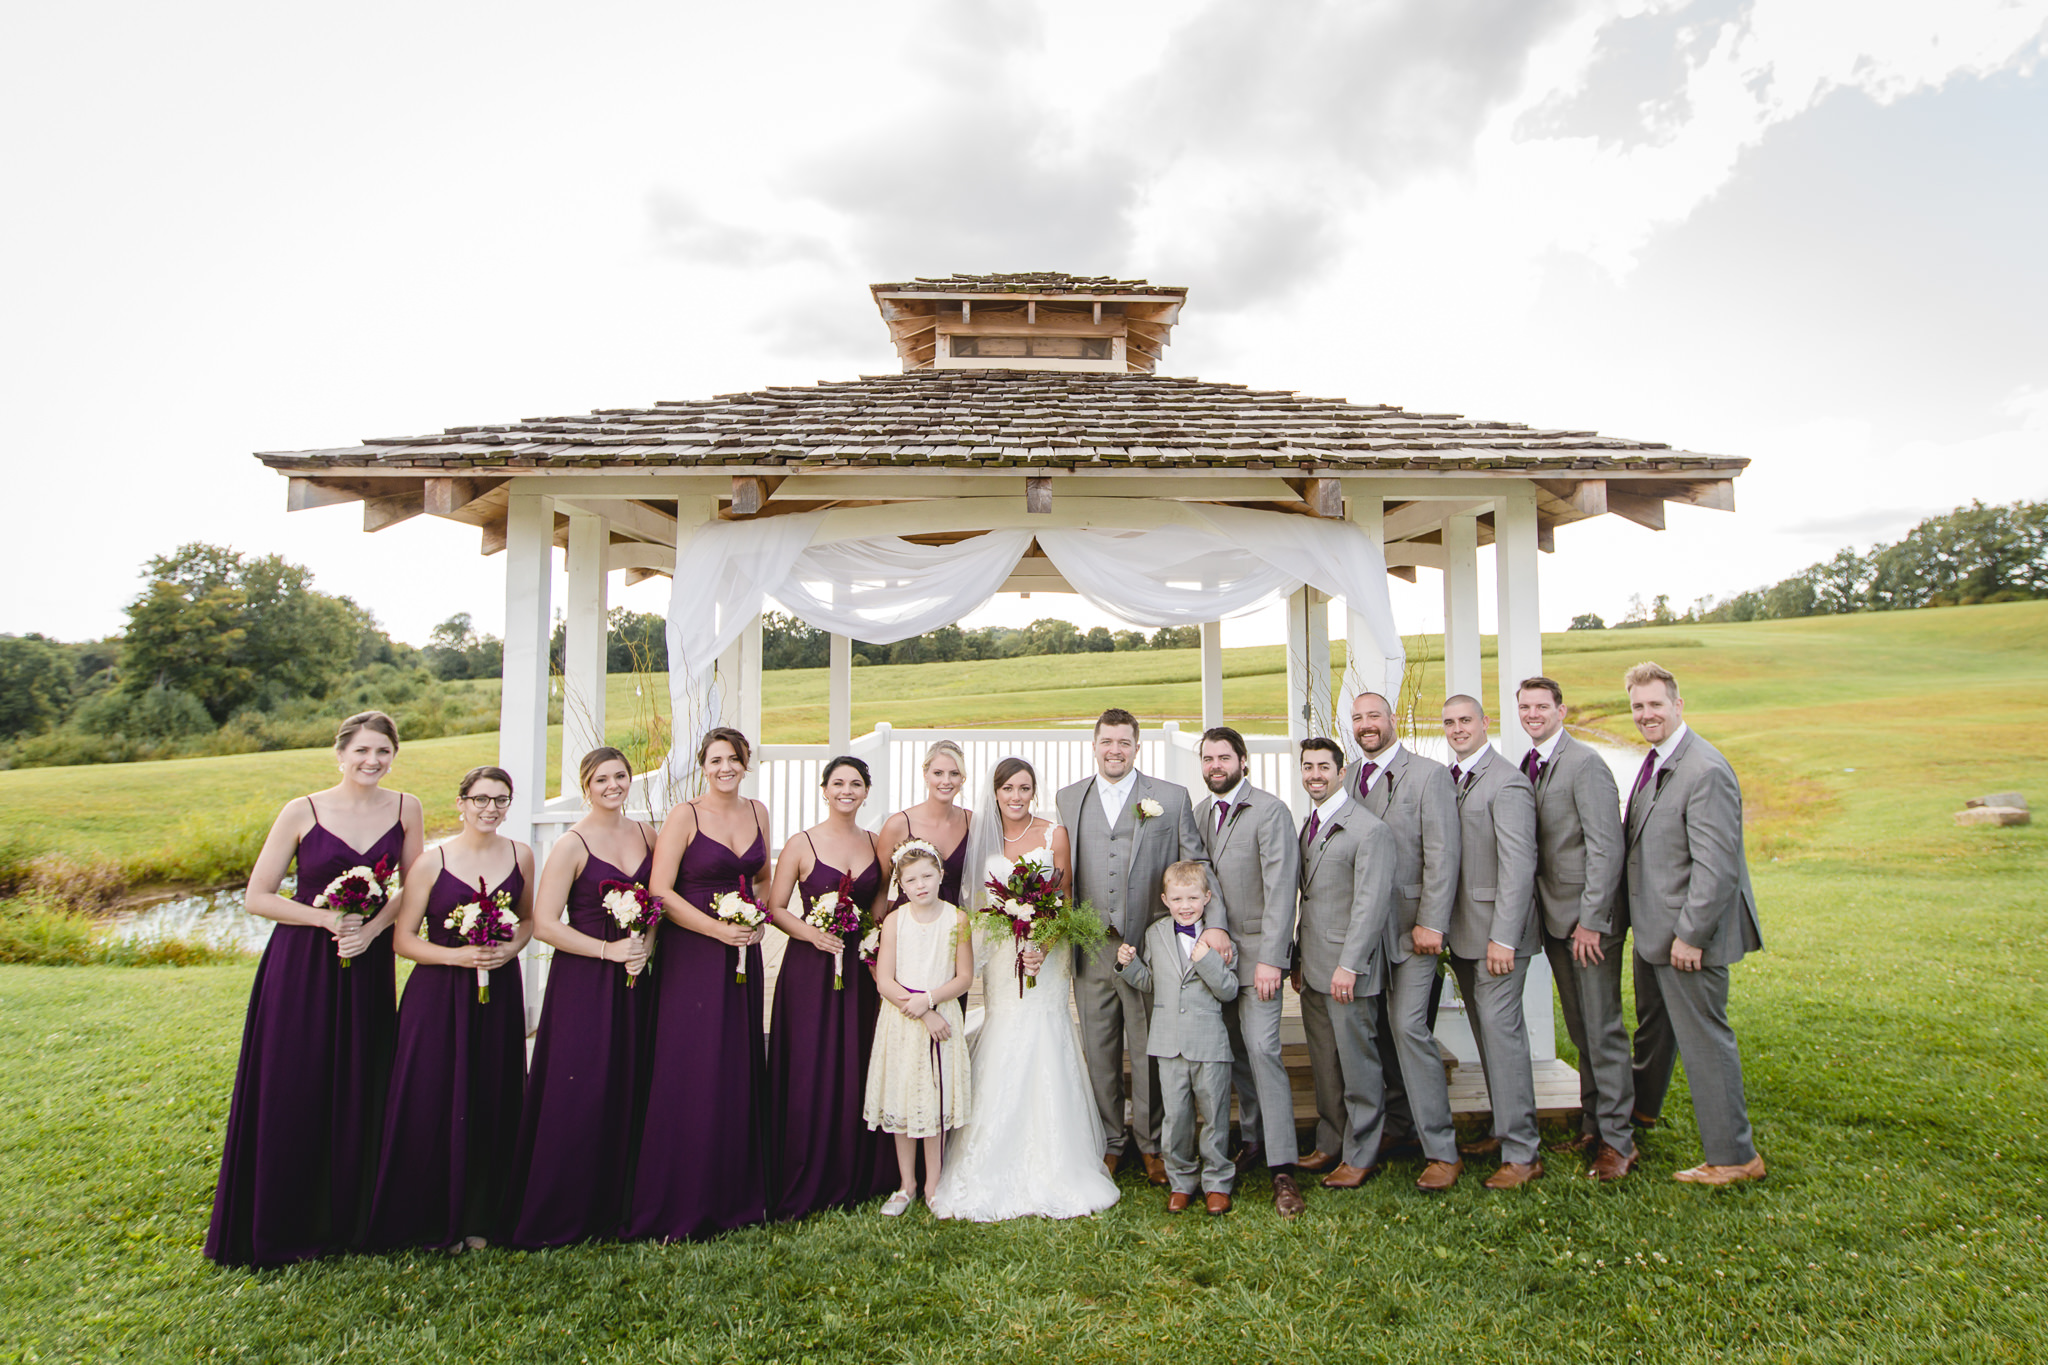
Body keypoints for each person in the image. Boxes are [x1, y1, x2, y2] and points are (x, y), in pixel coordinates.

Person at [206, 710, 424, 1265]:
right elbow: (258, 897)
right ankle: (285, 1219)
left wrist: (372, 930)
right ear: (340, 753)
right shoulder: (301, 810)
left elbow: (415, 888)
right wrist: (326, 920)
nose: (372, 761)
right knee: (295, 1077)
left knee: (362, 1074)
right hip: (302, 962)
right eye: (363, 751)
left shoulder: (406, 808)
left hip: (367, 962)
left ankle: (354, 1217)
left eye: (383, 752)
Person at [928, 758, 1119, 1222]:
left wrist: (1041, 944)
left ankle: (1059, 1158)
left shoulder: (1053, 834)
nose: (1016, 797)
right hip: (999, 954)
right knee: (1005, 1032)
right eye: (1008, 788)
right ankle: (992, 1155)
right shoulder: (983, 838)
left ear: (1035, 792)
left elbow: (1065, 897)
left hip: (1045, 955)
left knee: (1046, 1032)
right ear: (994, 792)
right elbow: (976, 902)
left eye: (1024, 788)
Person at [1055, 708, 1229, 1185]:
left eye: (1124, 742)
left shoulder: (1169, 798)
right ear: (1094, 745)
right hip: (1092, 950)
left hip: (1153, 951)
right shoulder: (1069, 799)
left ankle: (1153, 1144)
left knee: (1152, 1051)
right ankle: (1110, 1141)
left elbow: (1196, 863)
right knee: (1100, 1049)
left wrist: (1215, 926)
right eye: (1107, 741)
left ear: (1137, 747)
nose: (1115, 750)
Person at [366, 765, 535, 1251]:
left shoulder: (520, 855)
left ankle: (484, 1215)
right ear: (460, 803)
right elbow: (402, 940)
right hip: (438, 997)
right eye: (480, 799)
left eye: (501, 800)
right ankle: (430, 1217)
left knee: (491, 1094)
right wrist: (457, 955)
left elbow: (526, 921)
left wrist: (510, 948)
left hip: (498, 991)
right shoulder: (431, 862)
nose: (490, 809)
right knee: (434, 1099)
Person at [1622, 662, 1767, 1185]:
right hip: (1654, 933)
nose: (1646, 715)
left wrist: (1691, 935)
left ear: (1678, 705)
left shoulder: (1705, 769)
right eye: (1638, 706)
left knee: (1706, 1039)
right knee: (1654, 1031)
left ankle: (1734, 1157)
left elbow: (1717, 866)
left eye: (1655, 704)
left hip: (1687, 938)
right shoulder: (1658, 760)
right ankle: (1638, 1113)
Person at [505, 747, 656, 1247]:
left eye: (620, 776)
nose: (612, 786)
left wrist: (643, 949)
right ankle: (567, 1207)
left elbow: (656, 908)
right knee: (582, 1085)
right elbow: (545, 925)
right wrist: (608, 951)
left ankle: (623, 1200)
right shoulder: (572, 844)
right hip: (585, 980)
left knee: (630, 1078)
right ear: (586, 785)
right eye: (601, 779)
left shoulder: (646, 834)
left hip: (636, 976)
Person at [627, 727, 773, 1240]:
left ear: (745, 763)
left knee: (735, 1060)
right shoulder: (684, 815)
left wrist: (756, 920)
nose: (724, 768)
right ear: (702, 765)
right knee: (690, 1062)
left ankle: (735, 1193)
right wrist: (717, 929)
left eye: (733, 759)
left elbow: (762, 880)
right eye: (715, 760)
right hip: (693, 953)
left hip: (742, 955)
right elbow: (659, 890)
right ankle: (681, 1197)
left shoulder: (759, 812)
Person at [764, 755, 897, 1220]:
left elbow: (880, 904)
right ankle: (807, 1171)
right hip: (811, 967)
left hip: (859, 969)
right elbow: (775, 908)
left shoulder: (875, 842)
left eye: (856, 783)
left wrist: (877, 941)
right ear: (824, 790)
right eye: (838, 782)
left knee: (857, 1059)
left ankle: (858, 1170)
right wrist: (813, 933)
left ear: (866, 792)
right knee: (811, 1064)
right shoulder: (801, 843)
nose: (847, 790)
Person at [1516, 675, 1633, 1182]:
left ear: (1562, 711)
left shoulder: (1585, 765)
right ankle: (1593, 1125)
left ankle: (1619, 1144)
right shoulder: (1534, 762)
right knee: (1582, 1029)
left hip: (1588, 924)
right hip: (1556, 920)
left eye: (1542, 706)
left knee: (1602, 1030)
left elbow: (1607, 848)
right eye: (1525, 707)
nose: (1532, 714)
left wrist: (1593, 921)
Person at [1346, 690, 1462, 1192]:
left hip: (1413, 930)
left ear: (1392, 720)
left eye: (1374, 715)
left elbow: (1443, 852)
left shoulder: (1429, 775)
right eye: (1357, 718)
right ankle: (1399, 1128)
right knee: (1375, 1029)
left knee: (1409, 1027)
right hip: (1364, 932)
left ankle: (1442, 1149)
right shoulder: (1347, 776)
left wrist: (1433, 922)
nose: (1366, 724)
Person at [1191, 726, 1305, 1216]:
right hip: (1218, 961)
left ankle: (1284, 1168)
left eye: (1224, 757)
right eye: (1208, 758)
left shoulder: (1270, 811)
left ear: (1243, 761)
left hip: (1259, 956)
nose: (1216, 765)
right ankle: (1254, 1142)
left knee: (1263, 1050)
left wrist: (1272, 960)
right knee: (1236, 1053)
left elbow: (1283, 891)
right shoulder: (1199, 814)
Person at [1439, 695, 1543, 1189]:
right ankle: (1505, 1131)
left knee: (1503, 1039)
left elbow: (1520, 867)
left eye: (1466, 720)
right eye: (1450, 722)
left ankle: (1524, 1153)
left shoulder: (1507, 783)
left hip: (1499, 939)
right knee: (1488, 1039)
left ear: (1486, 723)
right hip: (1463, 934)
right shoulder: (1452, 779)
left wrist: (1504, 936)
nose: (1458, 729)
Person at [1291, 737, 1397, 1190]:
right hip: (1312, 966)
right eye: (1308, 766)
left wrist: (1350, 965)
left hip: (1346, 970)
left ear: (1341, 773)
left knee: (1358, 1065)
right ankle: (1330, 1141)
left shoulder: (1368, 829)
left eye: (1323, 767)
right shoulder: (1309, 822)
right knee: (1325, 1063)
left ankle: (1362, 1153)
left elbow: (1370, 906)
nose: (1315, 774)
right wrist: (1296, 957)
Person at [1115, 861, 1240, 1215]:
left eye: (1193, 898)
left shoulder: (1217, 938)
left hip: (1209, 1043)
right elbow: (1152, 983)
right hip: (1168, 1042)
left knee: (1214, 1114)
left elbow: (1229, 990)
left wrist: (1207, 961)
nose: (1186, 905)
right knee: (1176, 1116)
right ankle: (1181, 1180)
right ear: (1165, 899)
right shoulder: (1155, 934)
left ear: (1207, 898)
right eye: (1178, 898)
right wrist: (1129, 966)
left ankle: (1217, 1181)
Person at [863, 841, 975, 1216]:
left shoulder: (957, 919)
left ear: (942, 875)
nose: (921, 884)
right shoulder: (895, 920)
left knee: (935, 1101)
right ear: (901, 885)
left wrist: (931, 1001)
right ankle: (906, 1184)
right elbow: (884, 980)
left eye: (928, 875)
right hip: (903, 1021)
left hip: (942, 1019)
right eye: (911, 879)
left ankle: (933, 1186)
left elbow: (963, 978)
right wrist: (921, 1010)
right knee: (903, 1100)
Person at [875, 739, 973, 912]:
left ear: (962, 778)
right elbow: (880, 890)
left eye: (954, 773)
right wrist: (879, 933)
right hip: (908, 925)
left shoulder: (971, 822)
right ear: (925, 774)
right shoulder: (898, 825)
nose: (946, 781)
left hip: (955, 925)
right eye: (938, 773)